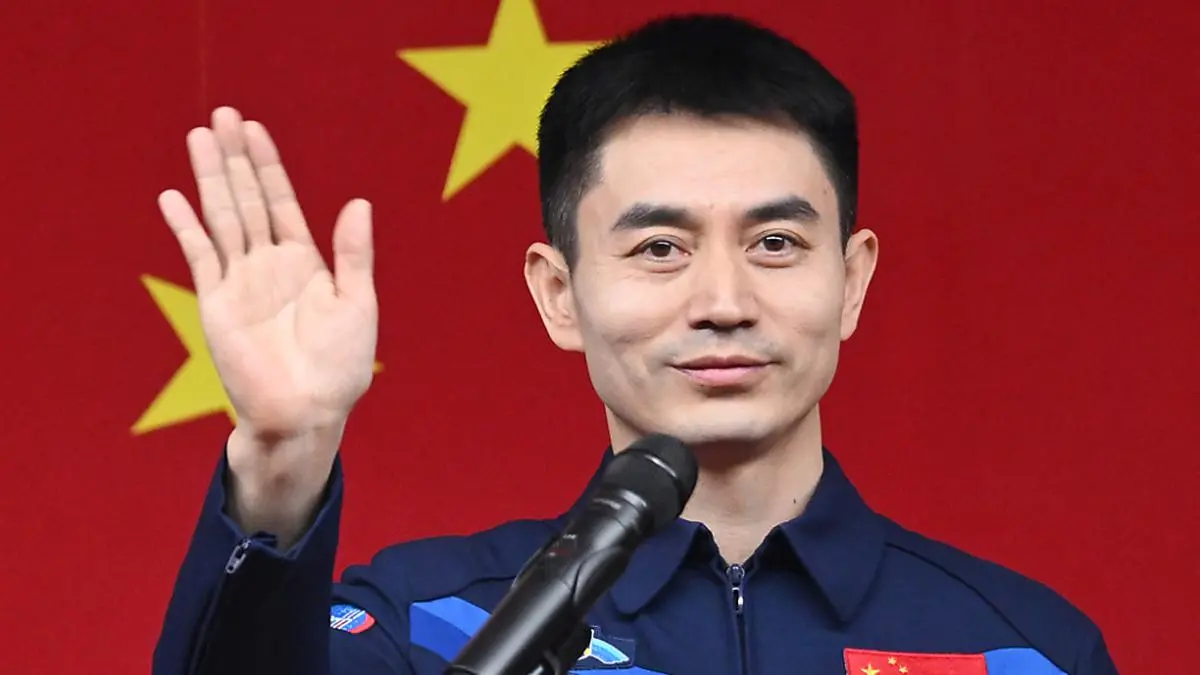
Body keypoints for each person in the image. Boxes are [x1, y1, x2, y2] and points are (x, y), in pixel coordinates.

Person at [151, 13, 1118, 675]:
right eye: (660, 248)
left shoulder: (1026, 648)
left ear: (852, 279)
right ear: (559, 294)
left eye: (776, 243)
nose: (724, 301)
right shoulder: (428, 624)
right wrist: (284, 453)